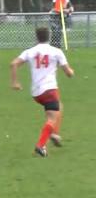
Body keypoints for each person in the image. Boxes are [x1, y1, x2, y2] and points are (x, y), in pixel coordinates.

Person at [10, 27, 74, 157]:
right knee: (51, 117)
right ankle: (40, 145)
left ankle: (54, 134)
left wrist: (15, 82)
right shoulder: (56, 52)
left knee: (59, 107)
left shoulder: (30, 51)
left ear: (36, 37)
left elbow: (14, 64)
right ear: (49, 37)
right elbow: (68, 73)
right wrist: (71, 72)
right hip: (49, 90)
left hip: (37, 93)